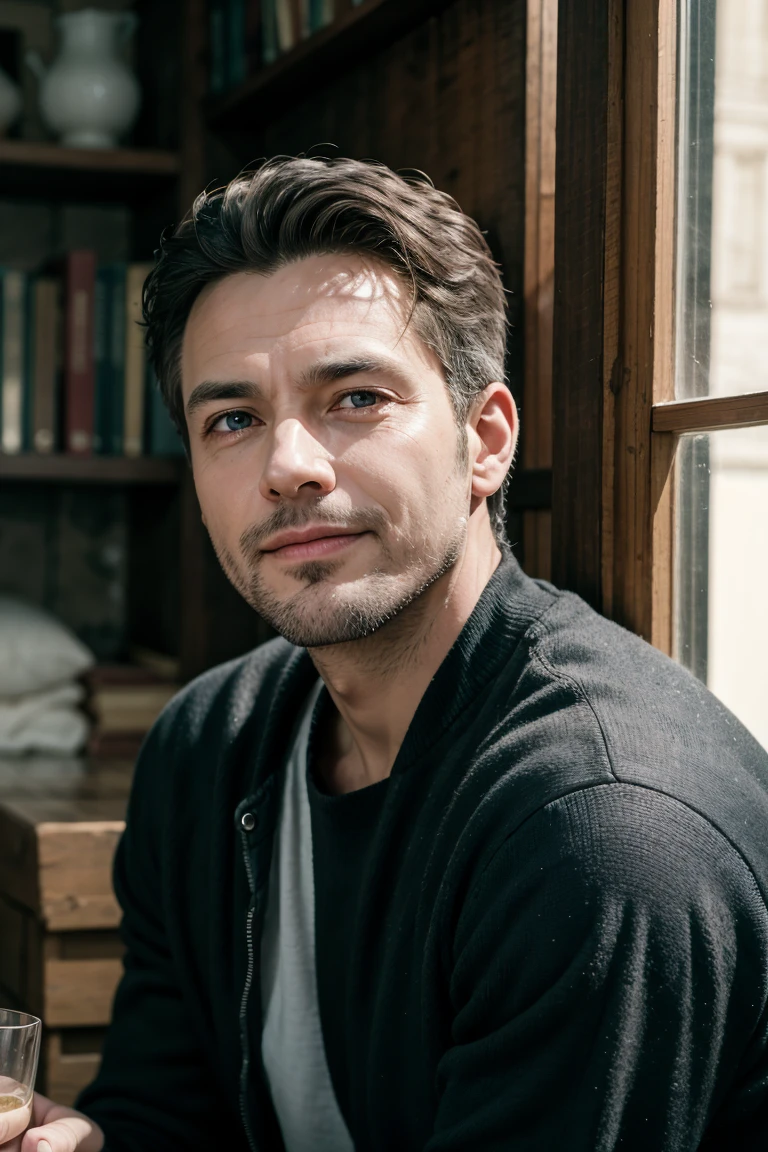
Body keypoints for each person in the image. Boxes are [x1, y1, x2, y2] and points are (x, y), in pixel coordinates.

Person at [7, 155, 768, 1152]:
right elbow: (170, 1116)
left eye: (356, 397)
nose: (288, 466)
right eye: (232, 419)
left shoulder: (604, 835)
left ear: (484, 439)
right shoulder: (205, 749)